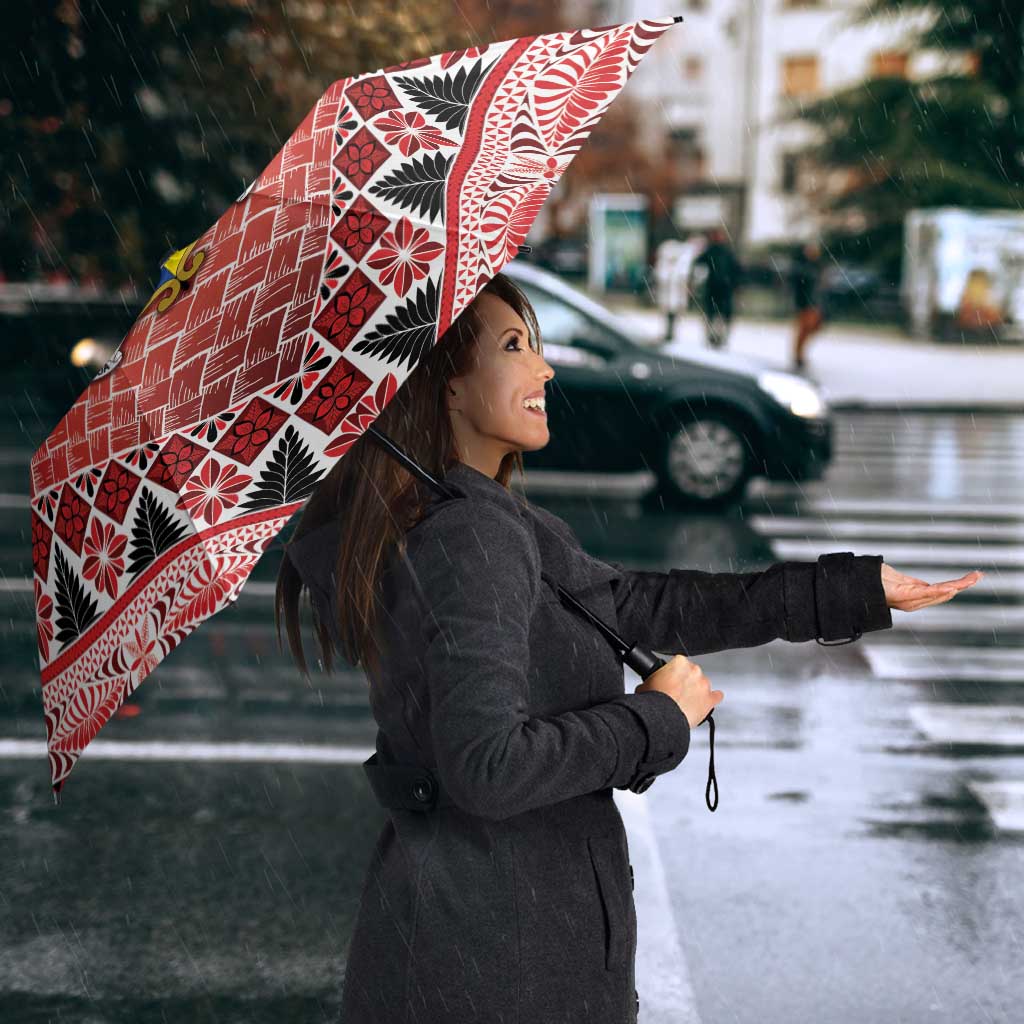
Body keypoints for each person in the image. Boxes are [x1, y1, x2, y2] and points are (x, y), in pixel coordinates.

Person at [277, 272, 912, 1024]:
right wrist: (655, 719)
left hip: (477, 941)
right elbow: (487, 767)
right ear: (446, 386)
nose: (544, 368)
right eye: (514, 346)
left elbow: (640, 605)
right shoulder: (470, 536)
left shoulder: (474, 517)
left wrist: (848, 592)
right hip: (500, 962)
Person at [692, 226, 742, 349]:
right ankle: (713, 337)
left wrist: (735, 284)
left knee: (720, 315)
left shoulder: (725, 252)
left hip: (723, 288)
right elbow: (698, 264)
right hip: (715, 288)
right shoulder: (712, 251)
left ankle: (719, 337)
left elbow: (736, 270)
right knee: (713, 314)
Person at [790, 239, 826, 371]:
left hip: (814, 303)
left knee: (812, 328)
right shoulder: (802, 267)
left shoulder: (817, 266)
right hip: (805, 303)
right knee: (804, 329)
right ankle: (798, 355)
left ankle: (800, 354)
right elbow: (799, 286)